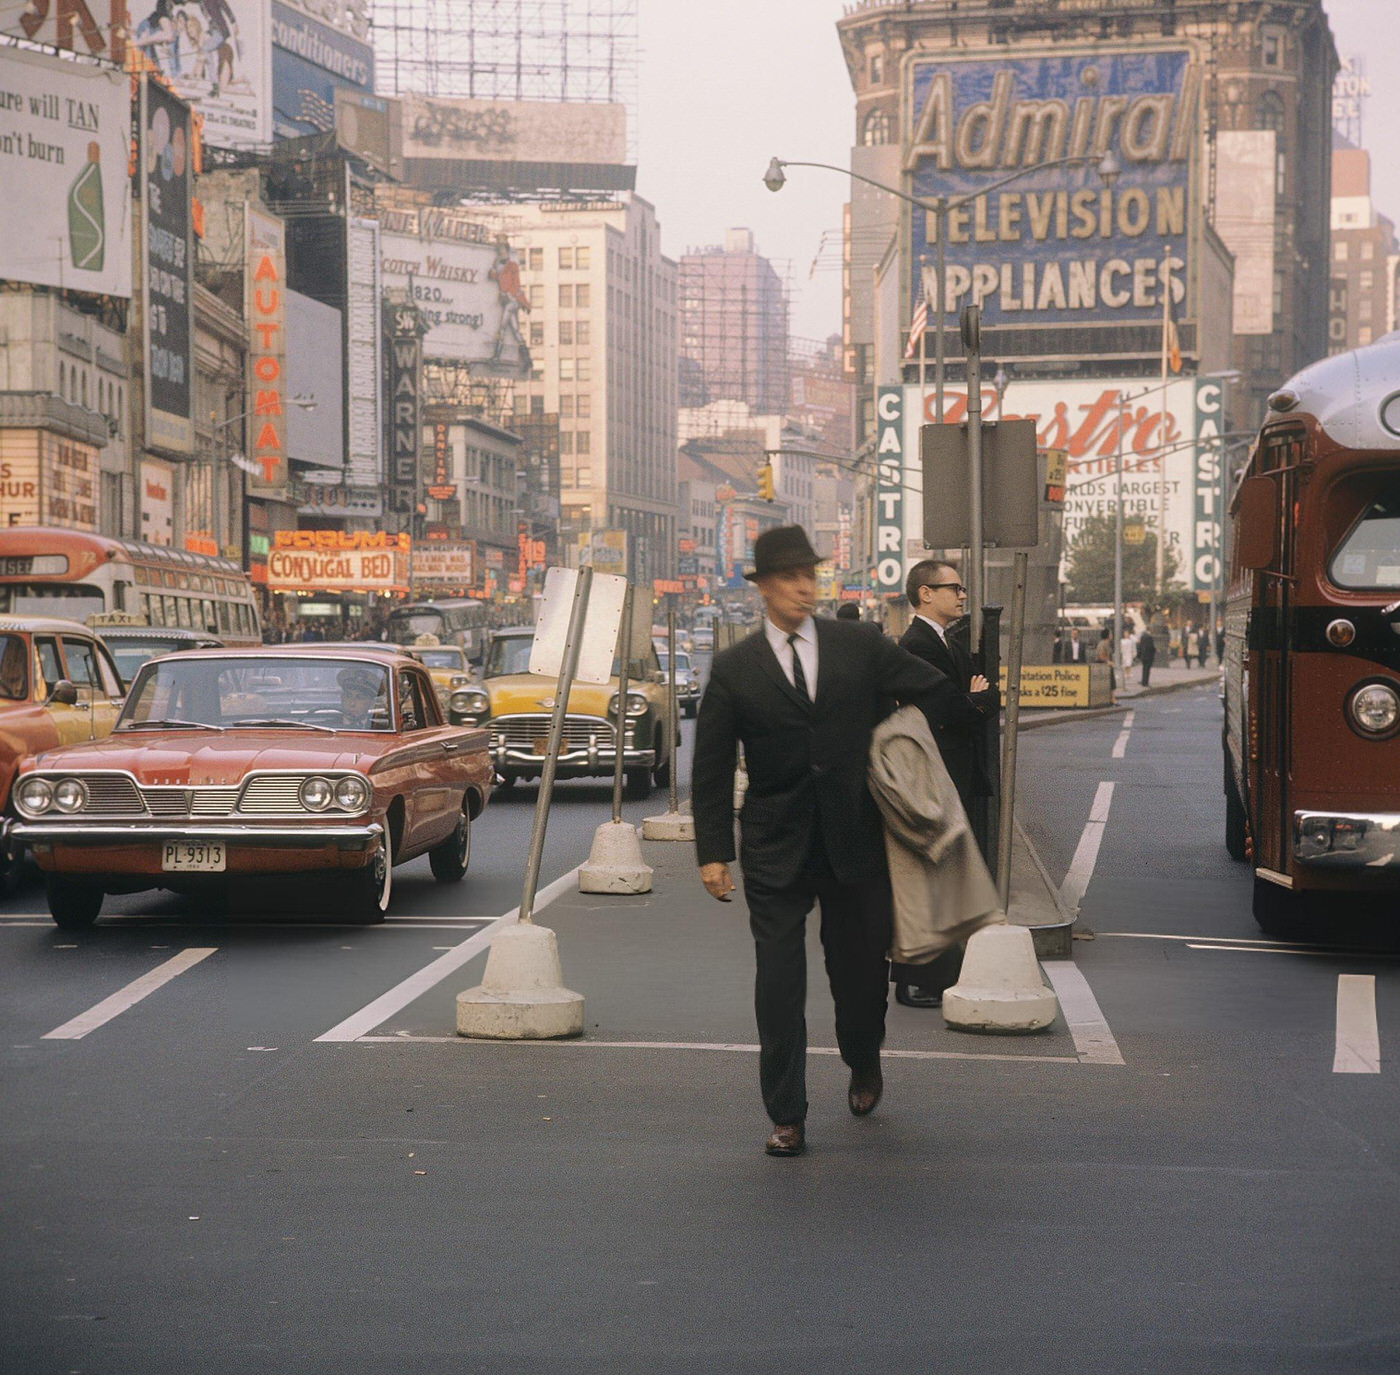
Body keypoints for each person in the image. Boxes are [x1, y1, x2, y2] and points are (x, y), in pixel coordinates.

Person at [692, 526, 964, 1158]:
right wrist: (712, 852)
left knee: (859, 979)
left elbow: (931, 689)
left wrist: (943, 743)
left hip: (854, 841)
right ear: (761, 588)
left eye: (809, 575)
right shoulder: (735, 669)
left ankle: (863, 1058)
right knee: (779, 983)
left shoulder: (858, 644)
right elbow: (708, 768)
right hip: (774, 846)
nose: (803, 587)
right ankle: (787, 1114)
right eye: (788, 577)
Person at [891, 560, 999, 1008]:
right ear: (924, 594)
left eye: (961, 587)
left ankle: (939, 972)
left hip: (950, 771)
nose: (961, 594)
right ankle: (917, 978)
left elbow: (968, 701)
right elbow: (951, 710)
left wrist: (974, 700)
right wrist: (976, 701)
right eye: (952, 587)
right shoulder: (918, 644)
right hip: (933, 774)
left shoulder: (942, 641)